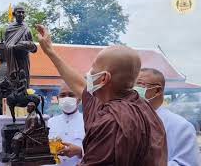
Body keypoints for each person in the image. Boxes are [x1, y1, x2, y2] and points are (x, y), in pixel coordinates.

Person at [36, 25, 167, 165]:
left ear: (104, 78)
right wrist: (50, 51)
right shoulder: (144, 108)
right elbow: (79, 85)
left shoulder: (112, 122)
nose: (89, 74)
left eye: (93, 69)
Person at [135, 68, 200, 166]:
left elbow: (187, 163)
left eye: (139, 84)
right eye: (131, 85)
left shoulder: (180, 126)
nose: (134, 90)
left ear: (157, 90)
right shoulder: (127, 120)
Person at [48, 82, 85, 166]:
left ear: (79, 98)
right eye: (63, 95)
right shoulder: (50, 122)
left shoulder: (88, 122)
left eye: (71, 95)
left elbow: (99, 151)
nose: (66, 98)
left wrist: (80, 151)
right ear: (58, 99)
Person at [4, 6, 37, 87]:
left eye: (23, 12)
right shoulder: (9, 29)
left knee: (25, 80)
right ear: (14, 14)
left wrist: (27, 45)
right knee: (14, 82)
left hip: (24, 59)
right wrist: (14, 47)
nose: (21, 14)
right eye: (19, 12)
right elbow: (6, 46)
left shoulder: (27, 29)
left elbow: (33, 47)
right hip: (13, 59)